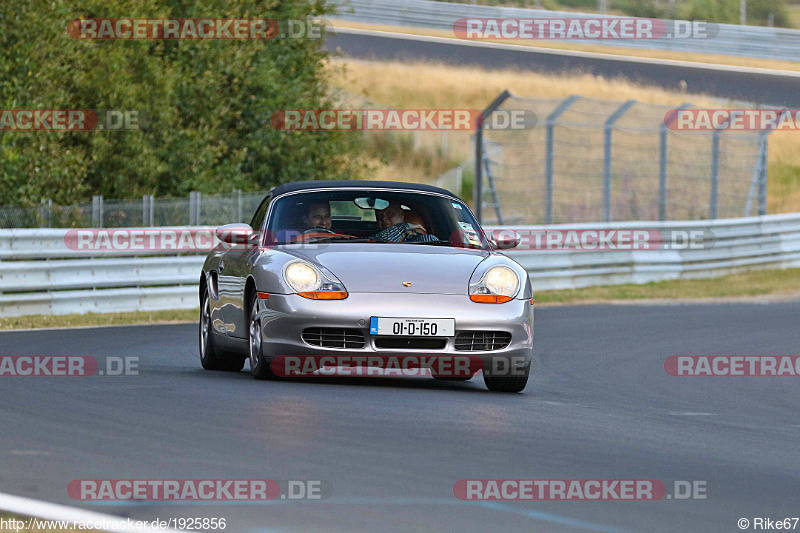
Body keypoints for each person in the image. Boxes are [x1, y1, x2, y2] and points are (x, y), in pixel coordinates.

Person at [371, 202, 437, 242]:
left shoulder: (424, 239)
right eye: (379, 216)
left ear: (401, 214)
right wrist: (404, 227)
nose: (384, 218)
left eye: (389, 214)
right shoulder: (374, 236)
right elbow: (381, 241)